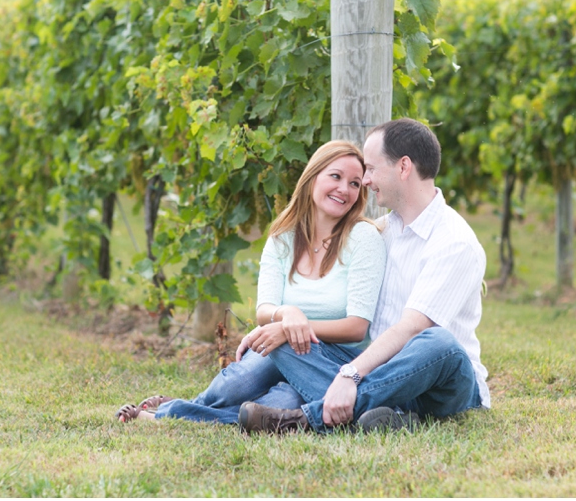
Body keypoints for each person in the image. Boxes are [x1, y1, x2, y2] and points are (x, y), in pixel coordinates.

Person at [238, 117, 490, 434]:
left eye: (371, 169)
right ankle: (386, 418)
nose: (366, 181)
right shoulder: (383, 231)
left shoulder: (454, 243)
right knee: (287, 338)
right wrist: (282, 321)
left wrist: (350, 375)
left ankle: (304, 420)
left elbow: (413, 329)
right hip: (382, 376)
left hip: (440, 385)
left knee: (439, 342)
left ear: (403, 167)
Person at [115, 140, 386, 425]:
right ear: (312, 177)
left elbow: (357, 328)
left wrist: (289, 331)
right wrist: (285, 316)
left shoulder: (363, 238)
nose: (345, 189)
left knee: (282, 403)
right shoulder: (283, 236)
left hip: (331, 360)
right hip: (279, 345)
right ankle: (193, 406)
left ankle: (169, 414)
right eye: (336, 176)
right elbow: (264, 310)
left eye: (355, 184)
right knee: (239, 384)